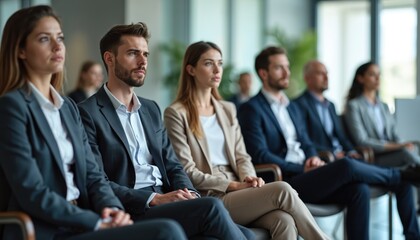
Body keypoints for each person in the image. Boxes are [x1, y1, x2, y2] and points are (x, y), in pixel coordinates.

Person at [0, 5, 187, 240]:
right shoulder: (12, 107)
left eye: (60, 38)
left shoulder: (67, 108)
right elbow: (32, 191)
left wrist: (113, 210)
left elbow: (93, 175)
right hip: (47, 230)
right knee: (166, 231)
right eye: (44, 39)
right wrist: (97, 222)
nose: (58, 46)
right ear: (21, 51)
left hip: (86, 221)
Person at [78, 23, 252, 239]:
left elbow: (173, 165)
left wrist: (190, 195)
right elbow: (97, 181)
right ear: (109, 58)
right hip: (135, 208)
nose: (143, 62)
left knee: (247, 234)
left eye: (145, 54)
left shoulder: (150, 108)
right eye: (133, 54)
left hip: (169, 198)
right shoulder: (87, 112)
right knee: (212, 207)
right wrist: (153, 199)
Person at [237, 46, 420, 240]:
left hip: (309, 172)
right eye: (279, 68)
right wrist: (301, 167)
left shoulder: (289, 106)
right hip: (285, 181)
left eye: (287, 67)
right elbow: (260, 154)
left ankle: (403, 178)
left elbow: (305, 142)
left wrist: (313, 158)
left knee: (359, 189)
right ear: (263, 73)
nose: (287, 73)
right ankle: (401, 174)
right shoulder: (252, 109)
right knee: (347, 165)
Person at [163, 41, 329, 240]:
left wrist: (250, 179)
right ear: (191, 69)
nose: (217, 69)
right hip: (210, 195)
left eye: (220, 63)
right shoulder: (176, 113)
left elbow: (242, 156)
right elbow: (187, 171)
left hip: (239, 187)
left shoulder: (227, 109)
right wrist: (233, 185)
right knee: (282, 189)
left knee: (283, 220)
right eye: (208, 64)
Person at [343, 61, 420, 168]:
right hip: (375, 156)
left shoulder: (384, 106)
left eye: (379, 74)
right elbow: (362, 141)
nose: (377, 78)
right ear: (360, 78)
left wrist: (404, 144)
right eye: (372, 74)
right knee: (406, 155)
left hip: (395, 152)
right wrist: (397, 146)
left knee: (412, 151)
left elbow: (394, 134)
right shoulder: (354, 106)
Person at [293, 60, 362, 160]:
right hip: (324, 158)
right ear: (307, 78)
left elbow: (341, 136)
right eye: (320, 73)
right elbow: (305, 140)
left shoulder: (331, 105)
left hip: (343, 156)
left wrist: (352, 151)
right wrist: (333, 153)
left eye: (326, 73)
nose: (326, 77)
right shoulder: (298, 105)